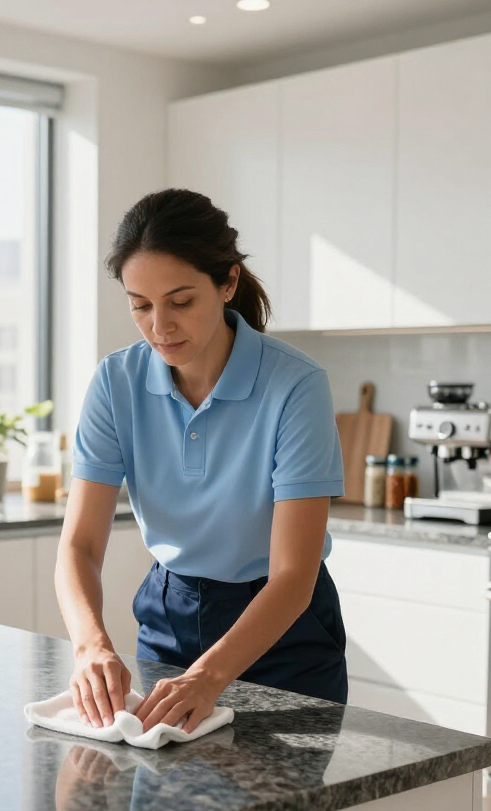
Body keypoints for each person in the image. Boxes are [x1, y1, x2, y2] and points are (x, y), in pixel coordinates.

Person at [55, 188, 347, 735]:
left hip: (284, 628)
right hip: (169, 615)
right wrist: (90, 646)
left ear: (228, 282)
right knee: (165, 806)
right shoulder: (116, 382)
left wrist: (208, 676)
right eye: (140, 305)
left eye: (181, 301)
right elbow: (80, 545)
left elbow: (293, 574)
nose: (160, 326)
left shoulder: (295, 385)